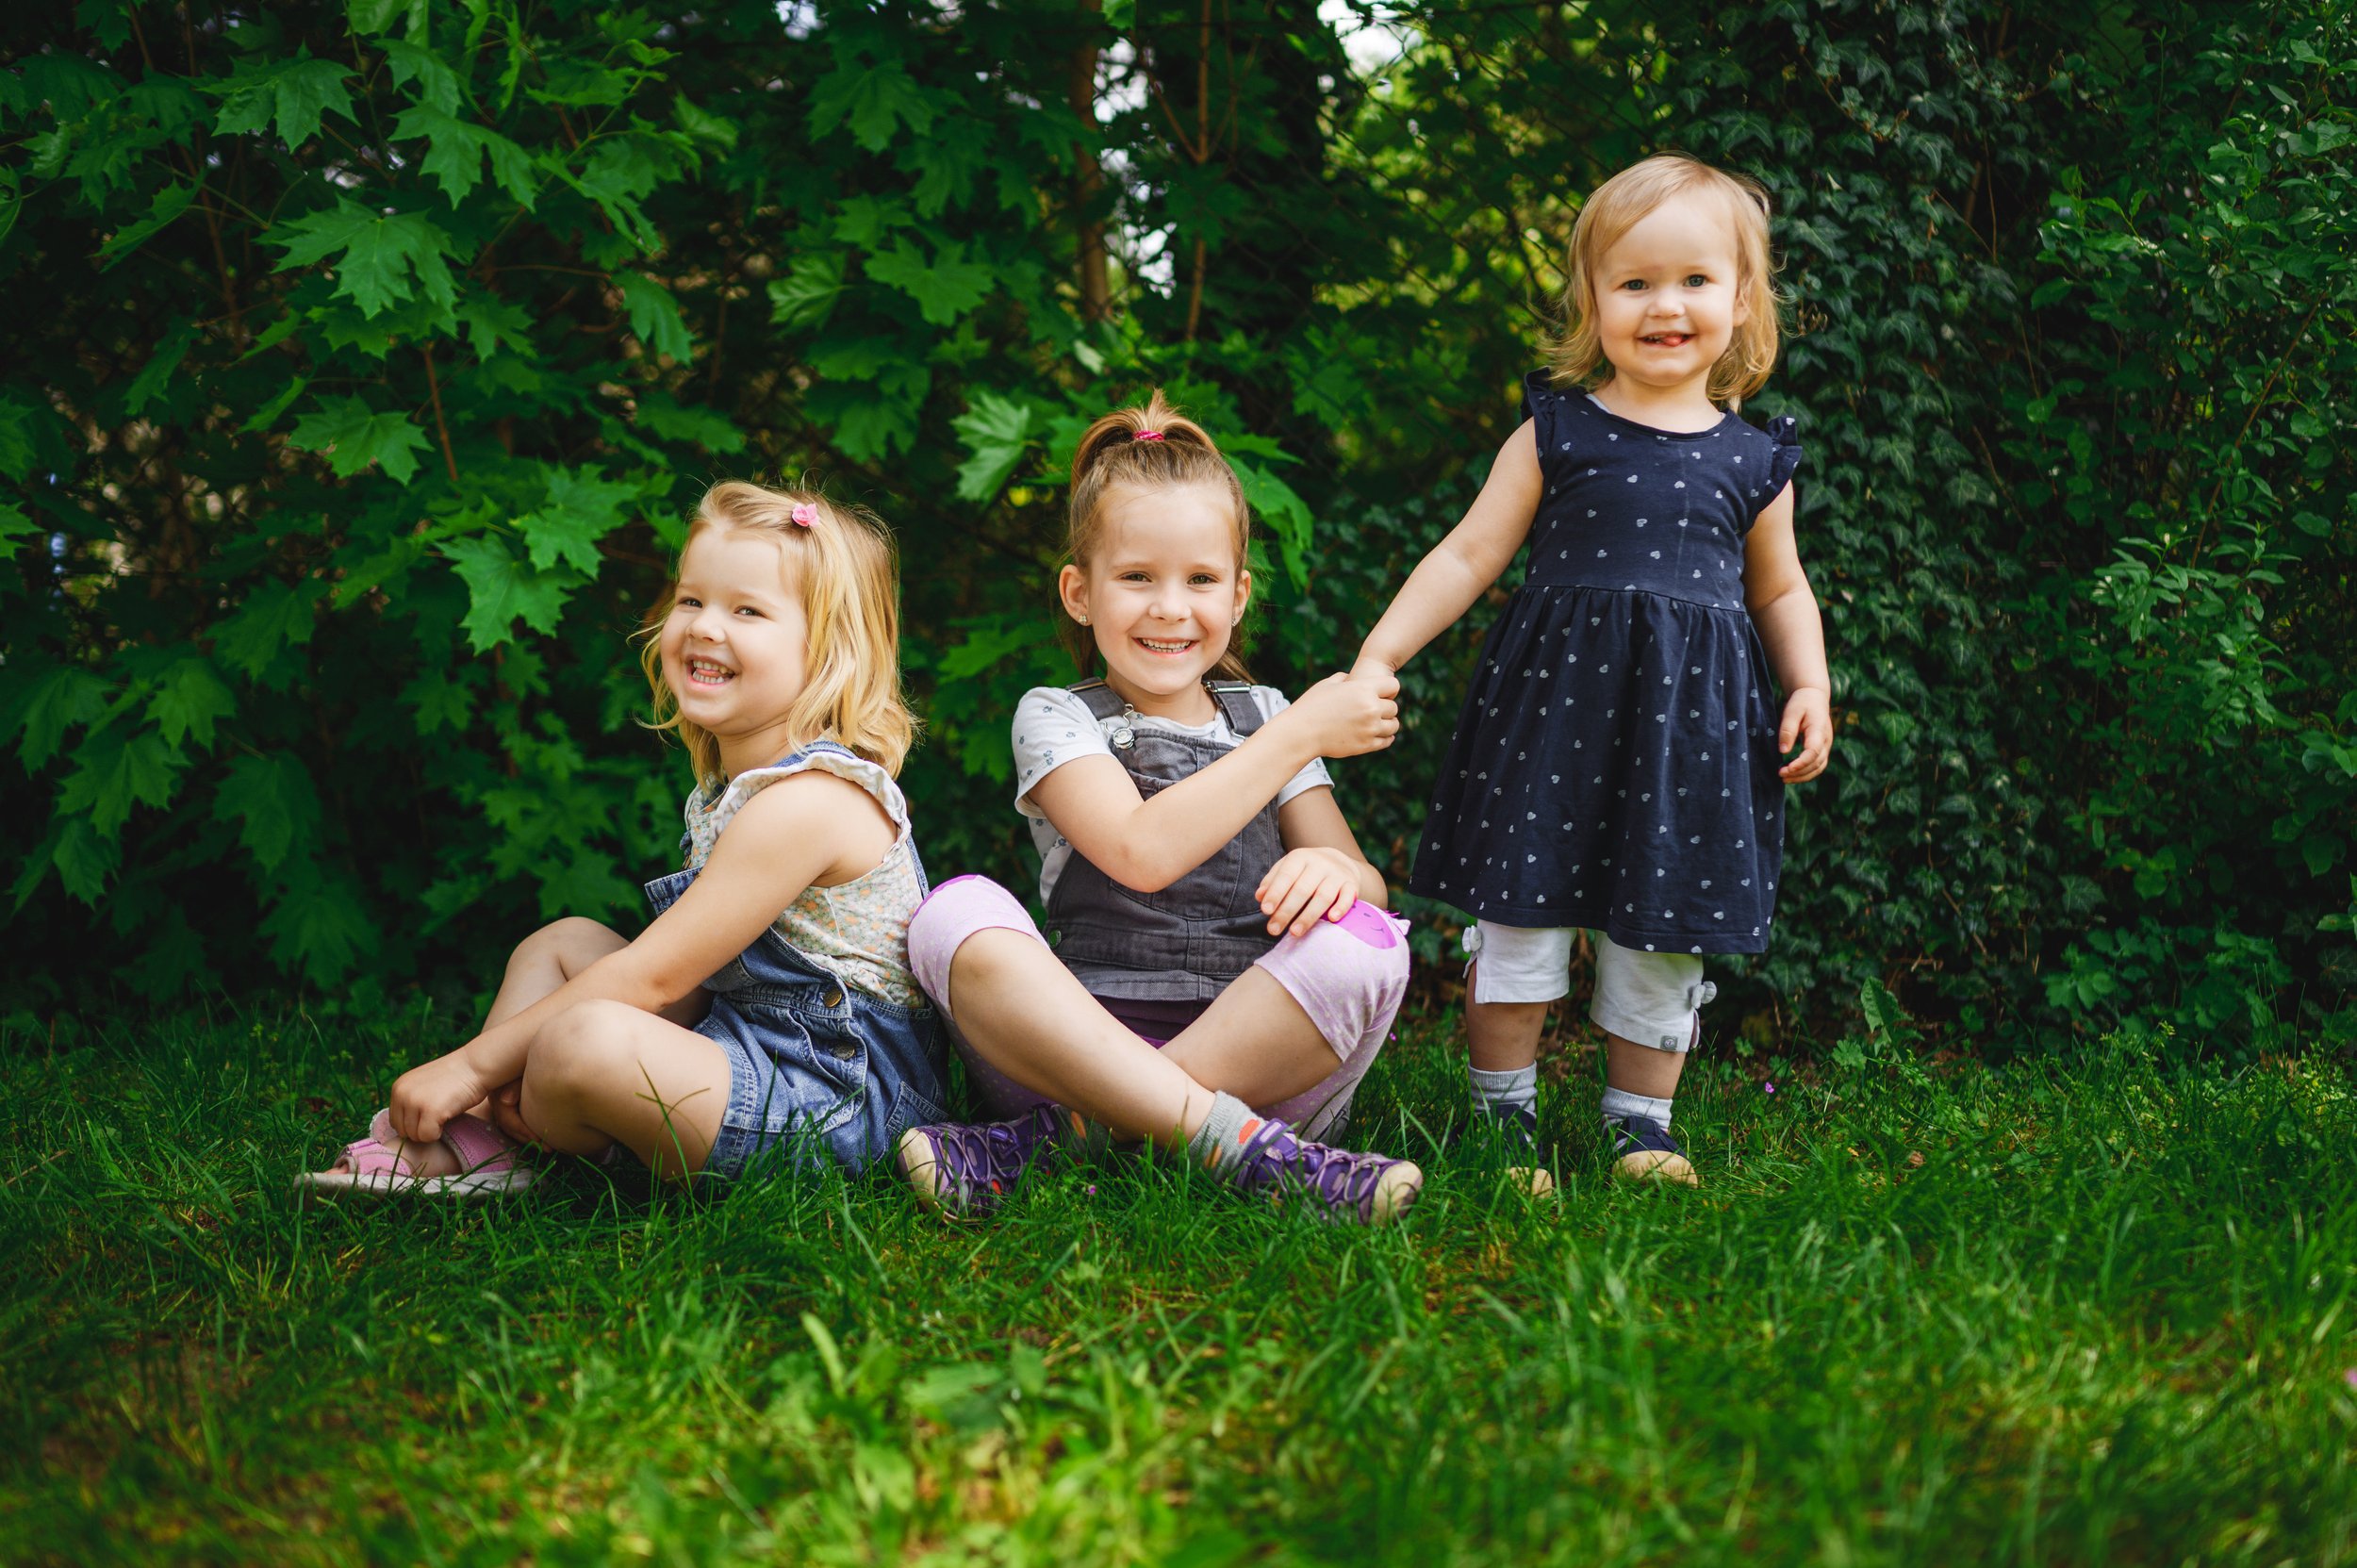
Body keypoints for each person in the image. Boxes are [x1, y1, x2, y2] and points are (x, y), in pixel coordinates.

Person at [1350, 153, 1834, 1186]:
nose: (1666, 305)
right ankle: (1501, 1118)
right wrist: (1380, 653)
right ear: (1593, 300)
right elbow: (1467, 555)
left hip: (1687, 737)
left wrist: (1809, 684)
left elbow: (1780, 591)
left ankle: (1640, 1126)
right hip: (1550, 721)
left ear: (1742, 298)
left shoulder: (1755, 461)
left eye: (1695, 280)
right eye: (1635, 282)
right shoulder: (1555, 434)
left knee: (1664, 930)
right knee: (1520, 921)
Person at [299, 482, 948, 1196]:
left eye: (747, 610)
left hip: (838, 1102)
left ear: (826, 651)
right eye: (692, 599)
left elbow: (654, 977)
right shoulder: (736, 786)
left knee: (578, 1041)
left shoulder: (809, 801)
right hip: (750, 1041)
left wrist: (471, 1065)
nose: (703, 626)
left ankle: (547, 1129)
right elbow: (696, 980)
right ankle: (487, 1139)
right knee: (562, 943)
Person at [894, 392, 1423, 1225]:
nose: (1171, 606)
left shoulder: (1267, 713)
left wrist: (1335, 868)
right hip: (1077, 1048)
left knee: (1371, 941)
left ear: (1238, 596)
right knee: (951, 915)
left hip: (1266, 1061)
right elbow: (1139, 851)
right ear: (1080, 592)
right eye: (1137, 576)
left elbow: (1369, 886)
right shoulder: (1058, 715)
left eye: (1201, 579)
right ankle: (1251, 1154)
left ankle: (1063, 1141)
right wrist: (1297, 736)